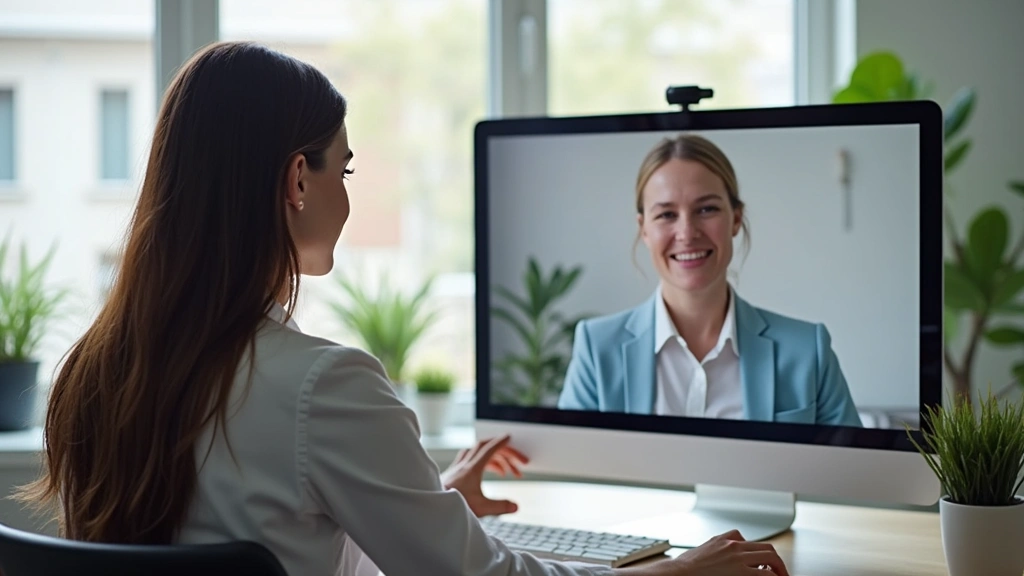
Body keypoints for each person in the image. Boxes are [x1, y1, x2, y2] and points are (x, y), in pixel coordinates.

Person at [14, 42, 789, 576]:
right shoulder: (324, 386)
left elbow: (271, 527)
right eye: (343, 168)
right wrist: (676, 572)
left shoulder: (93, 372)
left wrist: (432, 501)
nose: (348, 195)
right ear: (297, 181)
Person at [557, 134, 862, 428]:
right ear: (644, 230)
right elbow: (569, 467)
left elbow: (855, 472)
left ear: (736, 219)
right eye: (666, 215)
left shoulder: (807, 350)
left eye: (706, 209)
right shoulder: (597, 349)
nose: (687, 233)